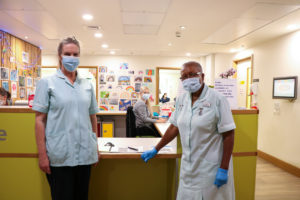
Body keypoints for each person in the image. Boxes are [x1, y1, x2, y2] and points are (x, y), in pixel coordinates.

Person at [141, 61, 236, 199]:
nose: (188, 79)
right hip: (188, 166)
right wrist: (156, 149)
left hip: (211, 168)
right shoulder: (181, 100)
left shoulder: (218, 99)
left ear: (202, 76)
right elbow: (174, 126)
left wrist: (224, 168)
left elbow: (229, 135)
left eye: (192, 74)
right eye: (184, 76)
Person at [32, 37, 100, 200]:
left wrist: (94, 146)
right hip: (59, 155)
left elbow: (92, 117)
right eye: (67, 53)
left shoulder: (87, 84)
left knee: (82, 196)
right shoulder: (47, 83)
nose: (72, 57)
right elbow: (39, 120)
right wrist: (42, 155)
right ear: (59, 56)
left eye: (75, 54)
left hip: (85, 155)